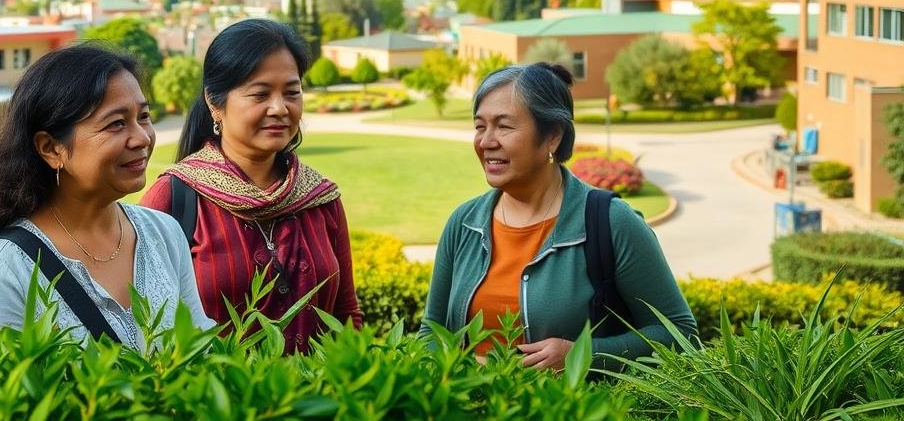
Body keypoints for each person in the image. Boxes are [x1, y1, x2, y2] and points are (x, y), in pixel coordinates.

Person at [420, 62, 697, 369]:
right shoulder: (463, 223)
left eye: (504, 126)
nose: (486, 141)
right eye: (480, 126)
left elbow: (681, 335)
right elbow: (430, 331)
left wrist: (582, 355)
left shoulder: (612, 222)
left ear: (552, 135)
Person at [0, 44, 214, 349]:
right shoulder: (5, 269)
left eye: (143, 116)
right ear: (51, 148)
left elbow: (200, 353)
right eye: (116, 123)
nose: (142, 137)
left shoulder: (164, 234)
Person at [141, 19, 362, 353]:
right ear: (215, 103)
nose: (280, 108)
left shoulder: (321, 198)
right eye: (260, 94)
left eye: (292, 92)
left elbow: (347, 317)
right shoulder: (174, 199)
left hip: (319, 400)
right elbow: (145, 326)